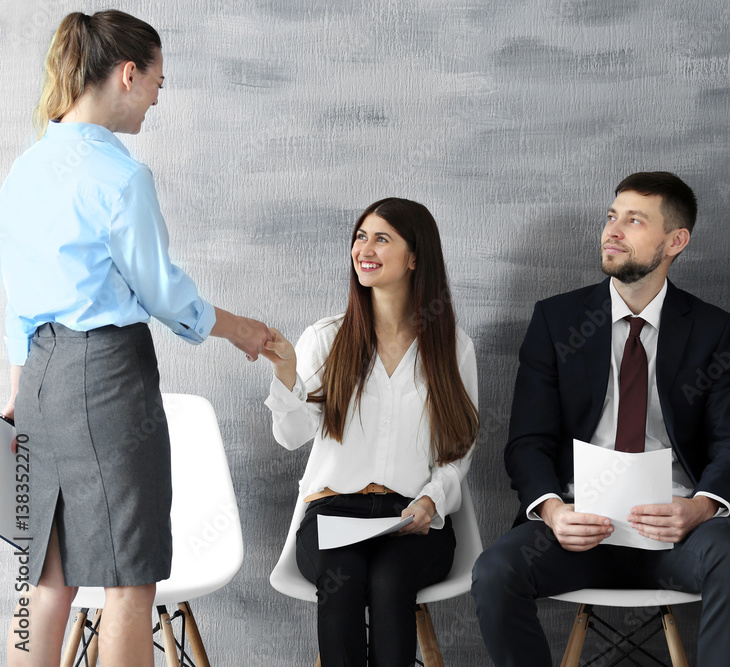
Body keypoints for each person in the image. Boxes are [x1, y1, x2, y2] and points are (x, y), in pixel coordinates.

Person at [0, 11, 271, 667]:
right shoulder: (121, 177)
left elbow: (15, 292)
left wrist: (16, 381)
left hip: (36, 380)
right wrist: (241, 331)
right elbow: (164, 295)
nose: (155, 97)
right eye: (156, 81)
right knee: (129, 578)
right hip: (105, 378)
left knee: (42, 579)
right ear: (128, 73)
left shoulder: (25, 168)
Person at [472, 172, 730, 666]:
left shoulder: (714, 330)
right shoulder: (555, 320)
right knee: (495, 571)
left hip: (678, 533)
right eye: (611, 216)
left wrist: (702, 508)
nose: (612, 230)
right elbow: (527, 441)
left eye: (633, 220)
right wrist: (552, 511)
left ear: (676, 241)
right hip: (580, 526)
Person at [262, 197, 479, 666]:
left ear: (415, 256)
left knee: (390, 581)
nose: (365, 247)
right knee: (342, 578)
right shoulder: (325, 338)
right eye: (361, 236)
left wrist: (432, 500)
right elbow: (291, 435)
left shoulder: (452, 348)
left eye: (382, 238)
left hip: (413, 518)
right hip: (333, 514)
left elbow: (457, 450)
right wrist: (286, 374)